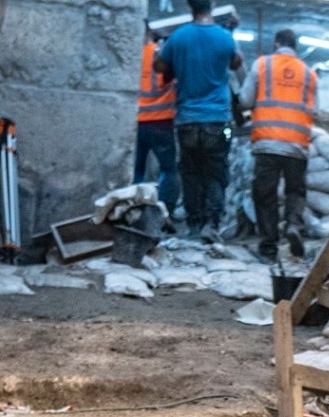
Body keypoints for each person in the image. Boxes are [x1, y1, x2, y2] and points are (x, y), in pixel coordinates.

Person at [155, 0, 242, 242]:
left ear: (189, 7)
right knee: (216, 172)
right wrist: (230, 32)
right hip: (218, 121)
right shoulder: (224, 38)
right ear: (212, 6)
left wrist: (167, 49)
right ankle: (212, 225)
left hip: (187, 121)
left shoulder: (179, 36)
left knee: (191, 172)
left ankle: (194, 224)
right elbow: (236, 62)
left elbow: (159, 66)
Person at [239, 29, 317, 261]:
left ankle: (269, 246)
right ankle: (293, 224)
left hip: (267, 141)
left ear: (276, 44)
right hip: (297, 143)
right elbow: (314, 110)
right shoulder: (309, 73)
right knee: (295, 190)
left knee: (265, 195)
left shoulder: (262, 65)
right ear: (296, 47)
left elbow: (245, 100)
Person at [134, 27, 181, 222]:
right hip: (161, 121)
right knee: (168, 170)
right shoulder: (163, 54)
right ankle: (163, 215)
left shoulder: (132, 54)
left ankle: (133, 213)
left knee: (136, 171)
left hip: (136, 123)